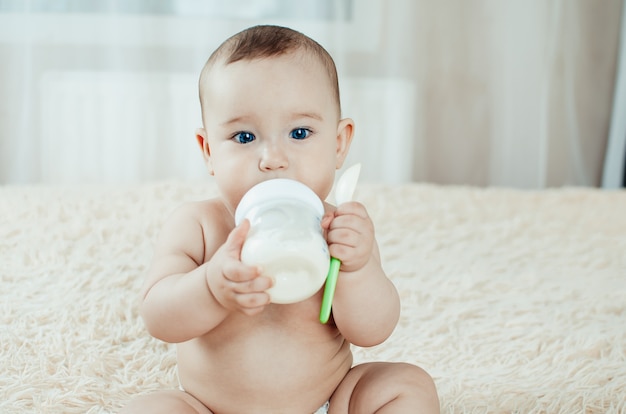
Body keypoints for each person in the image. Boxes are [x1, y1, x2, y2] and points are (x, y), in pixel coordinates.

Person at [121, 25, 439, 414]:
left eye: (300, 132)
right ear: (208, 152)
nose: (272, 158)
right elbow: (159, 317)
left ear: (338, 145)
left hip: (326, 403)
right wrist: (210, 287)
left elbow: (373, 331)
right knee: (150, 409)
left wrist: (355, 270)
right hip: (211, 407)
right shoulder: (199, 225)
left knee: (407, 386)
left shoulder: (336, 229)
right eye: (243, 137)